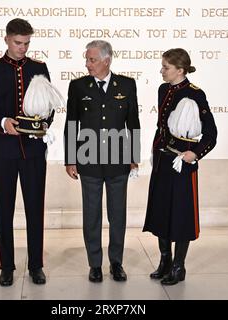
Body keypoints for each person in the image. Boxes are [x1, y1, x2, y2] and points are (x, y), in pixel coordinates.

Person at [0, 18, 54, 286]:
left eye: (27, 43)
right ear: (6, 39)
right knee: (3, 209)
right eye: (18, 43)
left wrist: (43, 124)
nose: (23, 48)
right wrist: (2, 122)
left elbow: (49, 106)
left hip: (32, 150)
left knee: (35, 208)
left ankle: (36, 265)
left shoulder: (39, 67)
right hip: (2, 150)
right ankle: (6, 266)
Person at [64, 40, 140, 283]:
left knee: (118, 214)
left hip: (118, 161)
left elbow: (133, 122)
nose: (87, 64)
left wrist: (134, 156)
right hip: (89, 161)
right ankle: (95, 264)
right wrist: (70, 158)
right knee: (92, 215)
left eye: (92, 60)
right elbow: (71, 124)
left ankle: (116, 263)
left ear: (107, 60)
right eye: (87, 59)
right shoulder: (78, 86)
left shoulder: (127, 84)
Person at [143, 48, 217, 285]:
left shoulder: (196, 94)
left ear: (180, 70)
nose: (161, 71)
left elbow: (211, 134)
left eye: (166, 67)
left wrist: (194, 153)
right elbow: (162, 127)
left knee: (181, 214)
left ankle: (178, 266)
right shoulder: (163, 89)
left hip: (182, 164)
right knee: (162, 210)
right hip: (163, 160)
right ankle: (165, 260)